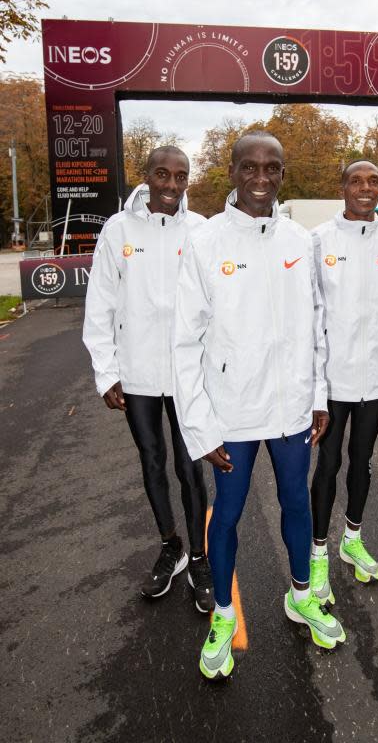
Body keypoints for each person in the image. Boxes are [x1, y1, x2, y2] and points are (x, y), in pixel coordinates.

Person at [173, 131, 346, 681]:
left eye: (272, 167)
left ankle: (300, 595)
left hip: (292, 408)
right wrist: (202, 428)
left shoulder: (300, 240)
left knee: (298, 504)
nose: (262, 178)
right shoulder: (205, 244)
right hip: (233, 414)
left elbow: (317, 326)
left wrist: (316, 395)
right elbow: (183, 344)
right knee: (227, 515)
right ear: (231, 171)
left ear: (282, 172)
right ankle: (223, 615)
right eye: (250, 167)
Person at [83, 145, 214, 612]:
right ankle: (171, 545)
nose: (172, 186)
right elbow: (99, 304)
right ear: (148, 176)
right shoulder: (118, 230)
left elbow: (214, 302)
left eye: (181, 177)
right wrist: (107, 372)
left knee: (188, 464)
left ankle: (199, 558)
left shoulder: (200, 230)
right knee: (152, 460)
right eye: (163, 175)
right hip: (136, 373)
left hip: (186, 375)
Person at [309, 161, 378, 605]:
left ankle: (352, 538)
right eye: (356, 181)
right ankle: (317, 557)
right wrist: (314, 388)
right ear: (343, 188)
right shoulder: (318, 241)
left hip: (375, 383)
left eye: (373, 181)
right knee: (327, 465)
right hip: (332, 384)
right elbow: (311, 320)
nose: (365, 188)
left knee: (362, 461)